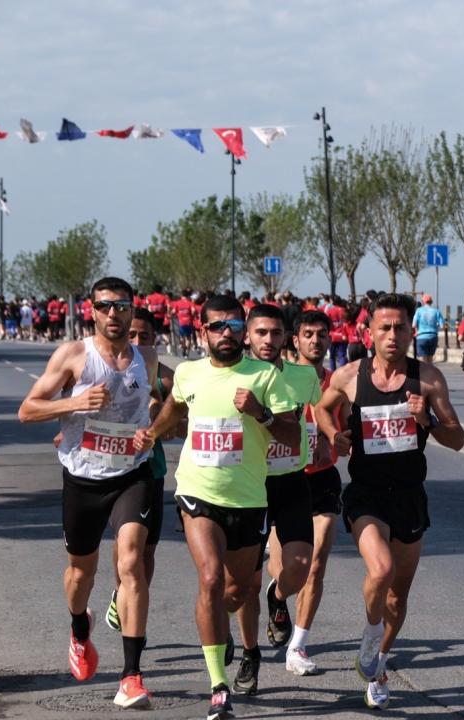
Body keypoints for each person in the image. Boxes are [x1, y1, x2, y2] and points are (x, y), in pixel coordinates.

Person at [133, 294, 301, 720]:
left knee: (235, 591)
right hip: (197, 493)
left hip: (248, 500)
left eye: (234, 326)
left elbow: (294, 439)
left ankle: (221, 632)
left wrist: (261, 414)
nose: (227, 333)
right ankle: (218, 687)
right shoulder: (189, 373)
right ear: (203, 331)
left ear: (243, 330)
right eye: (217, 326)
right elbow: (174, 407)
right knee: (209, 578)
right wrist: (151, 433)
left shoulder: (265, 375)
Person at [314, 293, 464, 710]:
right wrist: (334, 436)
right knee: (380, 570)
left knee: (398, 596)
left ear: (411, 331)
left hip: (410, 496)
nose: (392, 335)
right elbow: (322, 409)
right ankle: (368, 637)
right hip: (366, 494)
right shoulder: (348, 376)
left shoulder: (428, 379)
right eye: (384, 328)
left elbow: (457, 439)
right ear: (370, 333)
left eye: (400, 327)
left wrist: (427, 421)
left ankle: (378, 664)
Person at [18, 277, 160, 709]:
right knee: (81, 575)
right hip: (82, 479)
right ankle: (80, 628)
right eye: (105, 306)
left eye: (122, 306)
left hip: (130, 475)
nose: (114, 314)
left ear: (133, 310)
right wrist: (73, 404)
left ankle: (132, 676)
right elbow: (27, 410)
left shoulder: (148, 358)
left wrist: (153, 434)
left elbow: (173, 403)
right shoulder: (74, 356)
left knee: (132, 560)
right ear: (92, 311)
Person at [230, 304, 319, 696]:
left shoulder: (304, 375)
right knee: (244, 585)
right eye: (261, 333)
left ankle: (277, 595)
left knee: (299, 569)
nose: (269, 340)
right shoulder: (233, 375)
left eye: (276, 333)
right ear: (247, 336)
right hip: (250, 487)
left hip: (292, 481)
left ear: (287, 337)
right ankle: (251, 654)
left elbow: (322, 413)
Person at [104, 309, 177, 642]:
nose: (135, 342)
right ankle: (124, 594)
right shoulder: (104, 368)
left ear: (154, 340)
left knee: (144, 550)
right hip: (107, 469)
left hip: (149, 469)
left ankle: (132, 602)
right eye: (131, 335)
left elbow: (178, 427)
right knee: (125, 545)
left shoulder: (166, 379)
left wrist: (163, 422)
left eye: (143, 337)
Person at [281, 310, 345, 675]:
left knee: (317, 560)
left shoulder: (338, 381)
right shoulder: (278, 377)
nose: (316, 341)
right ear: (296, 340)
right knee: (286, 571)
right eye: (308, 334)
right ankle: (278, 599)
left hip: (322, 477)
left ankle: (298, 646)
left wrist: (335, 437)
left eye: (322, 334)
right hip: (282, 477)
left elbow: (348, 423)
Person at [413, 294, 444, 363]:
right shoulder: (436, 311)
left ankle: (423, 373)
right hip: (433, 336)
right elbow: (442, 325)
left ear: (423, 302)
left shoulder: (419, 311)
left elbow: (414, 324)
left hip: (421, 336)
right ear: (431, 302)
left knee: (422, 360)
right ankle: (430, 372)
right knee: (430, 360)